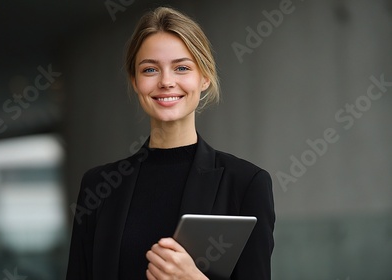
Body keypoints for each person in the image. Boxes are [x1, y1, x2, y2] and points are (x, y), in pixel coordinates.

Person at [66, 6, 275, 280]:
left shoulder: (246, 183)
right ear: (135, 80)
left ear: (204, 78)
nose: (166, 81)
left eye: (182, 68)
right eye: (150, 69)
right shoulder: (99, 186)